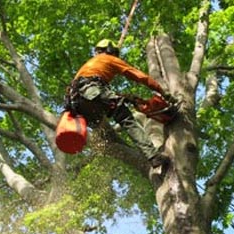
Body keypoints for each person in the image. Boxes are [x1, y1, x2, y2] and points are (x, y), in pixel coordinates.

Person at [65, 39, 169, 168]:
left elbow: (100, 94)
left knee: (104, 130)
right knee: (126, 119)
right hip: (92, 90)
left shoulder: (89, 66)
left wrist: (128, 98)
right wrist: (161, 90)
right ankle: (153, 156)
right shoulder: (109, 58)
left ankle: (105, 147)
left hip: (78, 104)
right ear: (110, 51)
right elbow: (139, 76)